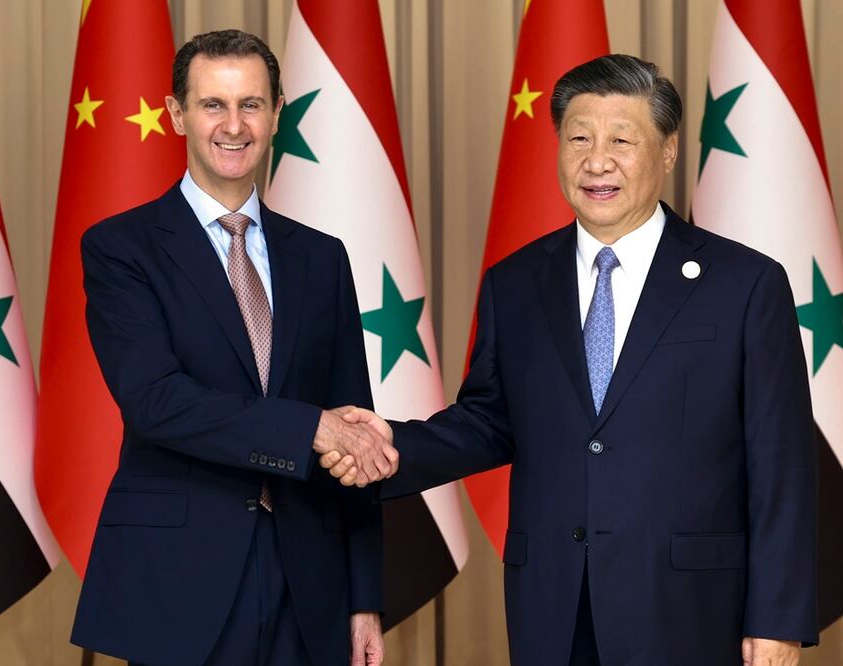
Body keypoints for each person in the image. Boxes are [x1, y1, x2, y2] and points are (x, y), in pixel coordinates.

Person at [323, 54, 817, 665]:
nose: (597, 161)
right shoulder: (515, 282)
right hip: (554, 604)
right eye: (579, 138)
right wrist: (388, 445)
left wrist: (778, 619)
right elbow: (489, 421)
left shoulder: (744, 284)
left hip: (691, 607)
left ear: (667, 151)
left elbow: (782, 463)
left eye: (621, 141)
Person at [70, 29, 396, 666]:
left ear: (277, 113)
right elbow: (156, 402)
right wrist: (310, 429)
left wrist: (365, 599)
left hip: (311, 582)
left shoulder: (322, 257)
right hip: (179, 578)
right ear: (177, 114)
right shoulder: (121, 248)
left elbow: (354, 428)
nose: (233, 125)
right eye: (212, 105)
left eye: (251, 104)